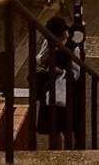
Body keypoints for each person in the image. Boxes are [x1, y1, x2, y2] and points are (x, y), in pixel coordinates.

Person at [36, 17, 84, 150]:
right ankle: (54, 153)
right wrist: (48, 51)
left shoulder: (72, 47)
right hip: (50, 90)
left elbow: (76, 72)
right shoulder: (48, 42)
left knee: (67, 128)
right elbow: (39, 60)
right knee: (53, 128)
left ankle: (69, 154)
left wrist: (61, 71)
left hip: (66, 91)